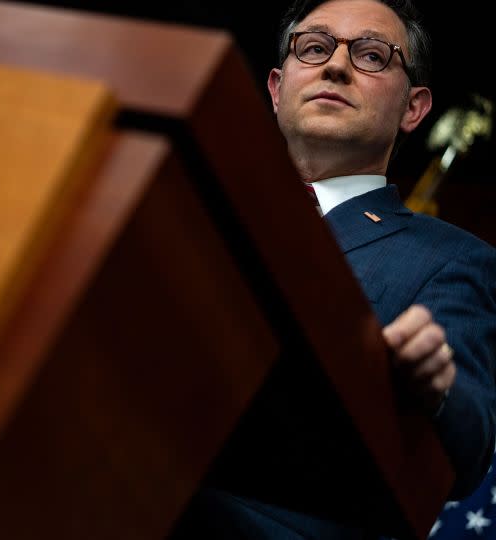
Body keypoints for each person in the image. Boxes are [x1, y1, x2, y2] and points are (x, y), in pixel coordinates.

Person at [173, 0, 496, 537]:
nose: (336, 66)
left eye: (371, 55)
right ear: (276, 89)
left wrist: (436, 386)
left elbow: (472, 441)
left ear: (414, 108)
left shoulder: (457, 260)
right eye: (316, 48)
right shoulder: (189, 201)